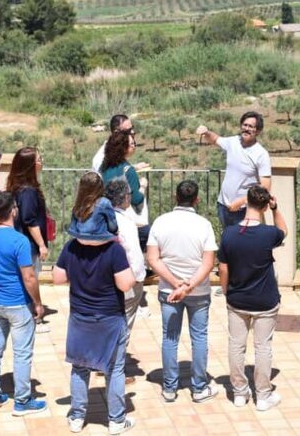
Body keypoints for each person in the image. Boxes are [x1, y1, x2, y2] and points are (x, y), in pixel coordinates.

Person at [53, 203, 137, 434]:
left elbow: (58, 277)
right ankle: (116, 420)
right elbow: (125, 283)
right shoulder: (113, 251)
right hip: (109, 318)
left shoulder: (71, 247)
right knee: (114, 369)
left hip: (80, 317)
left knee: (80, 368)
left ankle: (77, 417)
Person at [146, 180, 220, 403]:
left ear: (175, 197)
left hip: (169, 291)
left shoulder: (160, 222)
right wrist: (189, 286)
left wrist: (175, 283)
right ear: (196, 199)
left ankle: (169, 388)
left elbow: (152, 259)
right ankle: (199, 387)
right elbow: (208, 264)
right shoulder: (204, 225)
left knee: (170, 338)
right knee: (199, 338)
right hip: (198, 292)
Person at [218, 185, 287, 412]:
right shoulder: (268, 235)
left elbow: (224, 268)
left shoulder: (229, 234)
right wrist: (276, 210)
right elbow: (283, 230)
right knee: (263, 347)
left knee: (236, 346)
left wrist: (227, 291)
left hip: (237, 299)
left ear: (246, 202)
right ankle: (263, 396)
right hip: (265, 300)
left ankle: (239, 392)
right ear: (266, 205)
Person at [0, 192, 47, 415]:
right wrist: (37, 303)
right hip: (18, 304)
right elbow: (29, 277)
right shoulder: (20, 241)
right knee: (22, 353)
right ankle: (22, 400)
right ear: (13, 211)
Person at [196, 111, 271, 229]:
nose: (246, 128)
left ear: (258, 131)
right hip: (223, 206)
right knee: (227, 240)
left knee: (243, 244)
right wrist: (206, 132)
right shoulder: (233, 142)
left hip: (245, 210)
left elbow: (265, 188)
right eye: (245, 125)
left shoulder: (261, 154)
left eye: (251, 126)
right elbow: (215, 139)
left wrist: (241, 202)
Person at [105, 179, 145, 385]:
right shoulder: (125, 223)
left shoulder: (104, 217)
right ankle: (115, 369)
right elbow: (132, 254)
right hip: (126, 282)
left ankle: (107, 362)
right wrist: (138, 279)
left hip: (108, 281)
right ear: (125, 197)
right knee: (123, 327)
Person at [6, 147, 50, 333]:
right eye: (39, 159)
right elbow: (29, 220)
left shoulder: (17, 187)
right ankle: (33, 317)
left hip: (20, 241)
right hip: (29, 244)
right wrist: (41, 245)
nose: (42, 161)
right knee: (30, 278)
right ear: (31, 165)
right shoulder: (29, 191)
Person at [99, 129, 149, 249]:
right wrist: (143, 185)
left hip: (109, 217)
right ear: (123, 148)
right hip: (129, 219)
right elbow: (136, 199)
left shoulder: (104, 167)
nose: (134, 146)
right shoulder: (128, 170)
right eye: (132, 144)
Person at [67, 171, 118, 244]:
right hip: (99, 239)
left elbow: (72, 228)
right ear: (100, 186)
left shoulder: (78, 203)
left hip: (80, 239)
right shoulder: (104, 202)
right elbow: (113, 228)